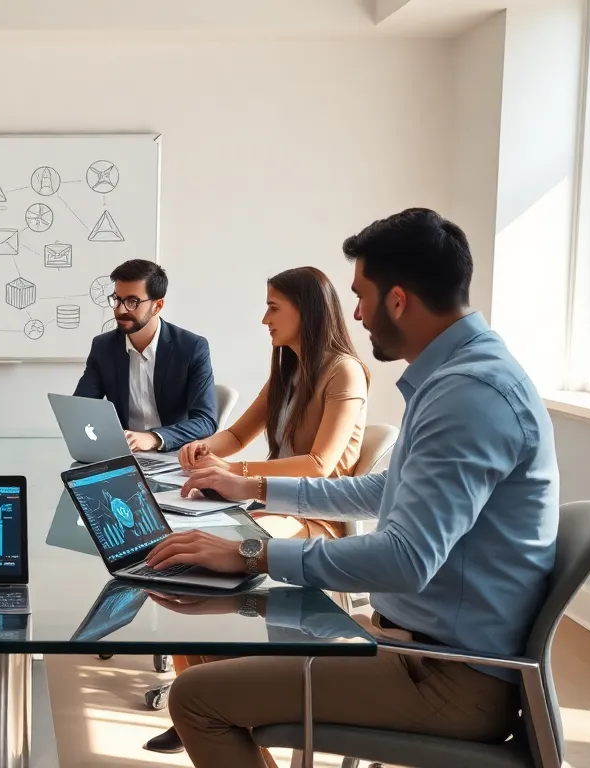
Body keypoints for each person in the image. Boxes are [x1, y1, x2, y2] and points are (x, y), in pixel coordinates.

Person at [145, 208, 558, 768]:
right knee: (213, 651)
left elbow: (406, 559)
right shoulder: (459, 376)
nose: (357, 313)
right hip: (416, 647)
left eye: (362, 295)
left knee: (197, 700)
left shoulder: (469, 392)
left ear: (398, 300)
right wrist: (254, 490)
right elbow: (382, 489)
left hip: (446, 675)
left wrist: (251, 553)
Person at [143, 266, 370, 755]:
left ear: (305, 311)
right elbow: (236, 434)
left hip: (315, 517)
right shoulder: (287, 368)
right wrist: (203, 450)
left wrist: (235, 472)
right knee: (182, 557)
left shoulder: (344, 372)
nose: (265, 319)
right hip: (268, 503)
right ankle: (200, 695)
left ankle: (216, 700)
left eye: (273, 307)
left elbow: (320, 464)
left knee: (214, 555)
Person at [73, 259, 219, 452]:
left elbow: (206, 421)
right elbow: (81, 409)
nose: (120, 309)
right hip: (124, 454)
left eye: (132, 302)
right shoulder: (103, 347)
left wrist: (154, 438)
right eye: (117, 299)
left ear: (157, 305)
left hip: (176, 455)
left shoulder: (191, 348)